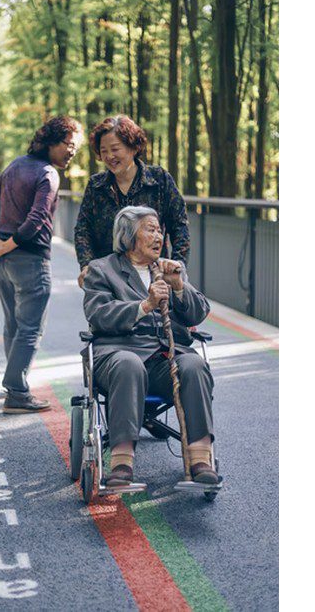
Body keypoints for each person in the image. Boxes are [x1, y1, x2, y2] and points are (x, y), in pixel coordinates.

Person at [82, 206, 218, 486]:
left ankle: (201, 458)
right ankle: (121, 463)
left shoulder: (169, 269)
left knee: (193, 364)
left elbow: (197, 313)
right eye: (150, 229)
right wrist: (145, 306)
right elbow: (98, 314)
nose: (158, 236)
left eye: (159, 230)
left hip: (164, 358)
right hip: (118, 354)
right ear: (129, 236)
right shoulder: (102, 269)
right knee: (128, 364)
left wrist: (179, 285)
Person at [0, 116, 85, 413]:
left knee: (13, 325)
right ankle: (16, 391)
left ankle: (14, 383)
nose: (71, 152)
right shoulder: (48, 174)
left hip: (1, 261)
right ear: (52, 141)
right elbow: (37, 219)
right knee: (30, 329)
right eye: (69, 145)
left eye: (75, 149)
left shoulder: (13, 166)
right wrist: (8, 243)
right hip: (29, 259)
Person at [74, 115, 190, 288]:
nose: (109, 156)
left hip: (152, 277)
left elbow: (179, 225)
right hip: (108, 277)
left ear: (133, 147)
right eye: (103, 151)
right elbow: (83, 230)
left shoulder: (159, 180)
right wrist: (86, 265)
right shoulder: (96, 185)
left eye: (115, 149)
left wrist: (177, 265)